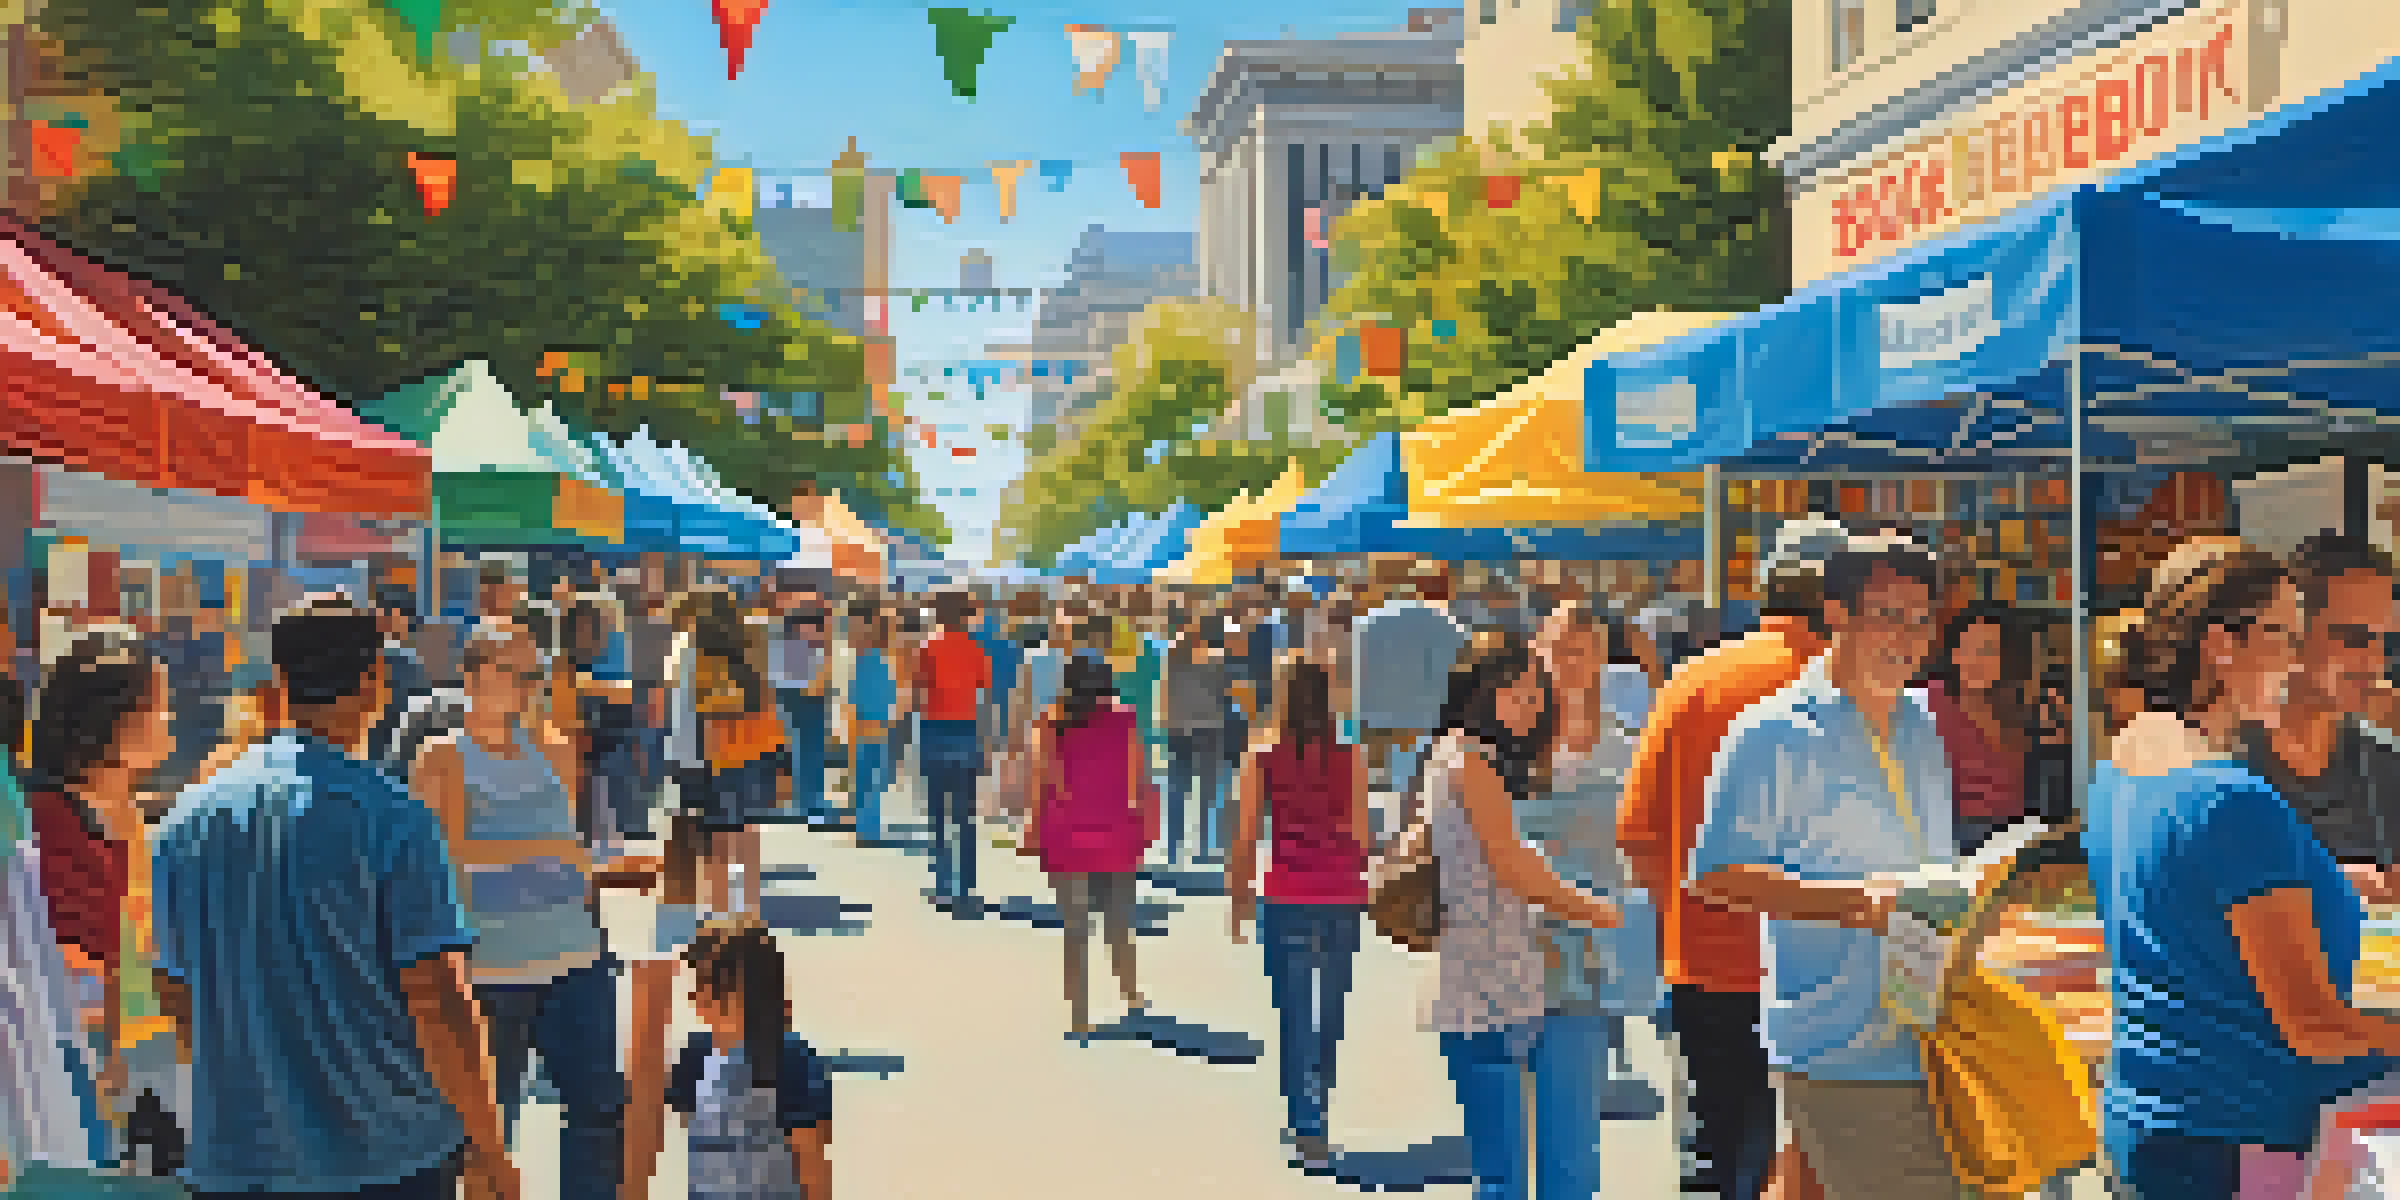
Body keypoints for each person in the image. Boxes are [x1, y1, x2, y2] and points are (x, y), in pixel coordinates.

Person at [152, 598, 519, 1200]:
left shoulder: (185, 821)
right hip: (387, 1158)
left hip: (236, 1160)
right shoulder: (393, 819)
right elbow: (438, 997)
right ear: (376, 681)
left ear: (278, 686)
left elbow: (177, 991)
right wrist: (489, 1147)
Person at [2088, 540, 2400, 1197]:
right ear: (2221, 645)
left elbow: (2188, 898)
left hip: (2153, 1123)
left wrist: (2324, 881)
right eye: (2284, 637)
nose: (2294, 662)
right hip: (2236, 1144)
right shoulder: (2231, 799)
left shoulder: (2127, 756)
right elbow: (2313, 1027)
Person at [1686, 531, 1959, 1200]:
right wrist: (1856, 906)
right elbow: (1716, 874)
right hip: (1840, 1039)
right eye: (1888, 614)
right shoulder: (1771, 732)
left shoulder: (1922, 721)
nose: (1909, 636)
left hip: (1928, 1028)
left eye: (1922, 619)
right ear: (1836, 613)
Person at [1616, 518, 1842, 1200]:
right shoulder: (1851, 691)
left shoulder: (1693, 683)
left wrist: (1684, 924)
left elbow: (1637, 834)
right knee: (1821, 1164)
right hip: (1830, 978)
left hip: (1707, 969)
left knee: (1726, 1157)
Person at [1391, 632, 1622, 1200]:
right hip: (1492, 982)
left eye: (1534, 696)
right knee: (1506, 1178)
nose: (1530, 706)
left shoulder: (1452, 755)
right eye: (1514, 694)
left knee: (1501, 1170)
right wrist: (1600, 911)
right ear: (1479, 691)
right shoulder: (1471, 760)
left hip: (1482, 979)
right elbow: (1514, 865)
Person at [410, 621, 624, 1198]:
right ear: (475, 676)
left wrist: (601, 876)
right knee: (486, 1132)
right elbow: (443, 856)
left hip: (576, 957)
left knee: (599, 1113)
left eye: (535, 674)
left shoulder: (554, 748)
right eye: (517, 674)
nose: (529, 686)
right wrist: (546, 852)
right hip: (491, 970)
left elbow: (572, 853)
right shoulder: (442, 757)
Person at [1519, 602, 1662, 1200]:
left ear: (1603, 658)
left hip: (1588, 957)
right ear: (1538, 654)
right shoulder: (1508, 750)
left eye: (1581, 650)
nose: (1568, 662)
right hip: (1510, 950)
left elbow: (1647, 845)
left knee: (1574, 1119)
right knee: (1512, 1127)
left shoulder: (1628, 749)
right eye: (1557, 649)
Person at [25, 638, 184, 1174]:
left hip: (149, 1073)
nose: (170, 718)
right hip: (72, 1078)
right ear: (110, 723)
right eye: (158, 704)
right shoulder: (44, 824)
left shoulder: (144, 820)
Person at [1226, 652, 1369, 1171]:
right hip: (1340, 892)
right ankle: (1318, 1106)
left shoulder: (1262, 754)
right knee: (1329, 1010)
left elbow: (1245, 836)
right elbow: (1360, 833)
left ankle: (1303, 1115)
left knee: (1292, 1010)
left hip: (1284, 891)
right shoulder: (1350, 755)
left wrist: (1238, 897)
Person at [2245, 533, 2400, 902]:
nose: (2376, 663)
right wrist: (2325, 882)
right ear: (2291, 636)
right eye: (2353, 638)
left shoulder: (2383, 769)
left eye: (2385, 642)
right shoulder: (2224, 763)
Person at [1021, 654, 1156, 1037]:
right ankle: (1130, 991)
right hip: (1116, 827)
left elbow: (1041, 777)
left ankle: (1079, 1011)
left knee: (1075, 926)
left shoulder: (1051, 720)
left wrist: (1032, 825)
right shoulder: (1124, 719)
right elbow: (1139, 775)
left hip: (1066, 828)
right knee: (1118, 920)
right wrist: (1143, 820)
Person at [667, 918, 836, 1200]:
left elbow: (811, 1163)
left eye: (717, 987)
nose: (699, 997)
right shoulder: (694, 1057)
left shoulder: (791, 1060)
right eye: (699, 983)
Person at [688, 589, 788, 916]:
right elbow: (771, 707)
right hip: (760, 750)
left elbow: (709, 712)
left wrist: (709, 761)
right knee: (748, 831)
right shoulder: (754, 652)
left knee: (720, 835)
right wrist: (781, 760)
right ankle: (750, 907)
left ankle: (719, 910)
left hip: (725, 755)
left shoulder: (704, 660)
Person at [1352, 566, 1466, 809]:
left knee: (1369, 798)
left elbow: (1357, 674)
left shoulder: (1369, 620)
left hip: (1374, 720)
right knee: (1416, 801)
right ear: (1446, 588)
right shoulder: (1449, 626)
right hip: (1420, 724)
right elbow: (1450, 681)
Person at [1928, 604, 2036, 856]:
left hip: (2011, 842)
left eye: (1989, 651)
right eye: (1968, 649)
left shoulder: (2012, 709)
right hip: (1954, 842)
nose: (1977, 660)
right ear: (1953, 654)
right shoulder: (1929, 701)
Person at [916, 590, 992, 913]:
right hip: (967, 731)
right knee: (964, 815)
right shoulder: (975, 649)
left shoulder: (928, 647)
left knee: (937, 814)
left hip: (935, 731)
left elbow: (920, 696)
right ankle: (967, 887)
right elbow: (985, 700)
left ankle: (943, 885)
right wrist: (986, 742)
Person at [1162, 625, 1232, 867]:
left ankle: (1174, 849)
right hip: (1208, 733)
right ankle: (1204, 846)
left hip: (1180, 733)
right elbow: (1227, 693)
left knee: (1178, 794)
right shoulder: (1215, 661)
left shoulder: (1171, 663)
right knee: (1207, 795)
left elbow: (1164, 699)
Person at [845, 604, 898, 843]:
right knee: (872, 777)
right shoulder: (883, 663)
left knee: (864, 776)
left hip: (863, 724)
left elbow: (856, 698)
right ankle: (868, 825)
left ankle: (865, 826)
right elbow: (888, 697)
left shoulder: (865, 662)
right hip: (879, 725)